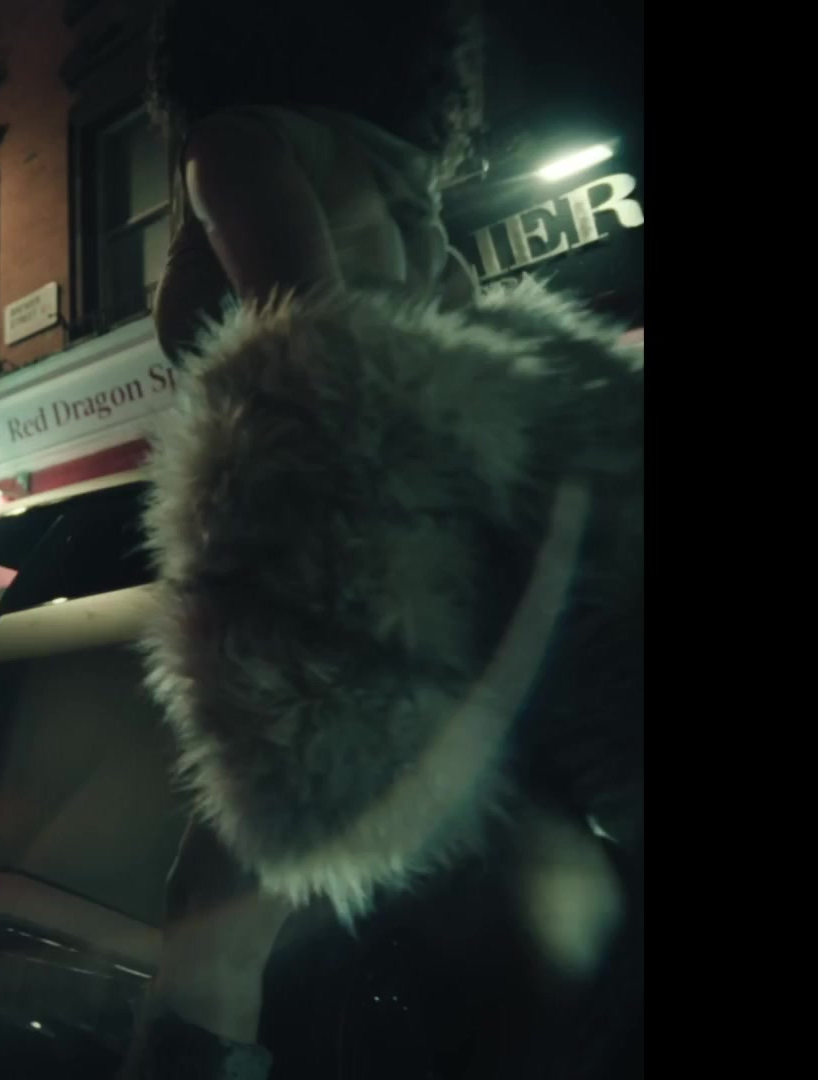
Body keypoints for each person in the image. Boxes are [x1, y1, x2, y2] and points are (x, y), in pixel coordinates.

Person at [127, 3, 642, 1077]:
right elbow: (459, 358)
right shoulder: (400, 170)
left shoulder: (238, 142)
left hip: (328, 564)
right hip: (443, 556)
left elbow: (311, 341)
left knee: (213, 923)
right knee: (529, 858)